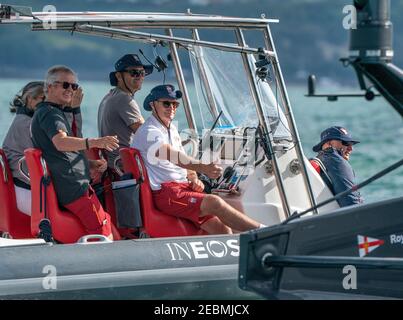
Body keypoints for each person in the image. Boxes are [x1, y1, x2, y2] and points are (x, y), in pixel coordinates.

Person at [131, 84, 264, 234]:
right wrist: (203, 168)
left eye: (175, 104)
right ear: (152, 104)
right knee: (215, 202)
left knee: (222, 229)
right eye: (166, 103)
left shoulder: (170, 128)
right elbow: (172, 155)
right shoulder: (150, 131)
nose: (172, 108)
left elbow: (180, 156)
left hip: (182, 188)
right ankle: (265, 232)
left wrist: (193, 176)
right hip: (167, 193)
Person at [31, 65, 120, 240]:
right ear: (49, 87)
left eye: (74, 86)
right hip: (74, 189)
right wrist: (96, 142)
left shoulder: (51, 112)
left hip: (71, 186)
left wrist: (89, 164)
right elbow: (61, 143)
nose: (71, 90)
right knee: (102, 231)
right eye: (65, 85)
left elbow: (59, 154)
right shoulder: (51, 114)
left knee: (107, 222)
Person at [2, 81, 86, 215]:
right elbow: (68, 148)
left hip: (20, 189)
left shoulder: (23, 119)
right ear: (30, 99)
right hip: (29, 193)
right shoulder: (30, 124)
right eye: (44, 99)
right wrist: (72, 110)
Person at [98, 53, 153, 171]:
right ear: (119, 76)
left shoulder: (109, 95)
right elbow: (146, 135)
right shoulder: (124, 99)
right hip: (125, 167)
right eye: (134, 72)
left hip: (114, 164)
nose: (139, 76)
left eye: (142, 73)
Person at [312, 126, 364, 207]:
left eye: (352, 144)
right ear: (328, 144)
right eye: (346, 143)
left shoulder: (319, 161)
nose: (351, 148)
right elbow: (351, 204)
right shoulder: (336, 161)